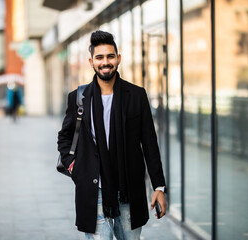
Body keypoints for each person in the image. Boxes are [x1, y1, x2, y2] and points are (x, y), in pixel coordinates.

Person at [57, 30, 167, 240]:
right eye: (99, 57)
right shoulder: (78, 98)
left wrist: (159, 186)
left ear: (118, 58)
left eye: (110, 56)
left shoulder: (136, 96)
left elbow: (150, 144)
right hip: (94, 189)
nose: (105, 62)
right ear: (91, 61)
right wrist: (75, 167)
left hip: (129, 189)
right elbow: (64, 138)